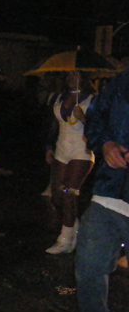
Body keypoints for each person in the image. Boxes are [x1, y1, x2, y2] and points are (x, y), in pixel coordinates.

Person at [66, 67, 129, 312]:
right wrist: (104, 145)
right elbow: (96, 118)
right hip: (109, 194)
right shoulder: (121, 82)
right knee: (88, 266)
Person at [44, 71, 95, 254]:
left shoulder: (91, 99)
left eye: (76, 76)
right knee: (57, 195)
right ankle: (73, 225)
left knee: (69, 193)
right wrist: (48, 147)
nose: (71, 79)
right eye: (69, 76)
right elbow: (53, 125)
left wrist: (84, 118)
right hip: (61, 149)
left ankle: (65, 240)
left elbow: (100, 126)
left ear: (84, 77)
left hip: (81, 150)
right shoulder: (59, 97)